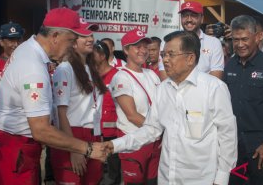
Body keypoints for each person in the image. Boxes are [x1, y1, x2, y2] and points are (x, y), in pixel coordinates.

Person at [107, 30, 238, 184]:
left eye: (170, 54)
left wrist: (222, 178)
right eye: (163, 55)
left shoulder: (214, 88)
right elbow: (151, 129)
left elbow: (227, 136)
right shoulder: (163, 89)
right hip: (167, 177)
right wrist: (113, 145)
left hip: (201, 179)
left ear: (190, 58)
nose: (165, 60)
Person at [0, 8, 106, 184]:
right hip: (16, 149)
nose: (73, 45)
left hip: (18, 148)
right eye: (71, 39)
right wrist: (87, 148)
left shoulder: (29, 50)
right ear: (55, 36)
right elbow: (41, 130)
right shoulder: (33, 67)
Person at [224, 15, 263, 185]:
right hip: (235, 148)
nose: (239, 44)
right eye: (235, 39)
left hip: (262, 148)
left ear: (257, 37)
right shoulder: (229, 65)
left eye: (244, 39)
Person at [50, 22, 107, 184]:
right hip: (71, 135)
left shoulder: (91, 68)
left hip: (93, 135)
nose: (90, 39)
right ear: (73, 41)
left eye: (91, 35)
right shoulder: (65, 69)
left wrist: (99, 139)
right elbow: (60, 112)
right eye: (84, 35)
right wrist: (73, 149)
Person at [111, 29, 161, 185]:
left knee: (153, 181)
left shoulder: (151, 74)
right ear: (126, 50)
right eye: (137, 46)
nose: (143, 50)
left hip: (154, 141)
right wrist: (158, 130)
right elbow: (132, 115)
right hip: (134, 141)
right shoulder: (121, 76)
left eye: (145, 46)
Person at [159, 1, 224, 80]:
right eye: (185, 16)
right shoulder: (168, 41)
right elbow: (164, 73)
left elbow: (216, 76)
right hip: (176, 90)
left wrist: (193, 90)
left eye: (193, 15)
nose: (189, 19)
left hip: (204, 91)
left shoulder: (214, 43)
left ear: (202, 18)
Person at [93, 40, 121, 185]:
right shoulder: (90, 75)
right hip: (94, 130)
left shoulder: (117, 75)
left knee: (113, 172)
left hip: (112, 131)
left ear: (102, 56)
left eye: (93, 54)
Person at [0, 22, 24, 98]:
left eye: (19, 40)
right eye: (11, 40)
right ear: (1, 42)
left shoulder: (29, 63)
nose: (16, 44)